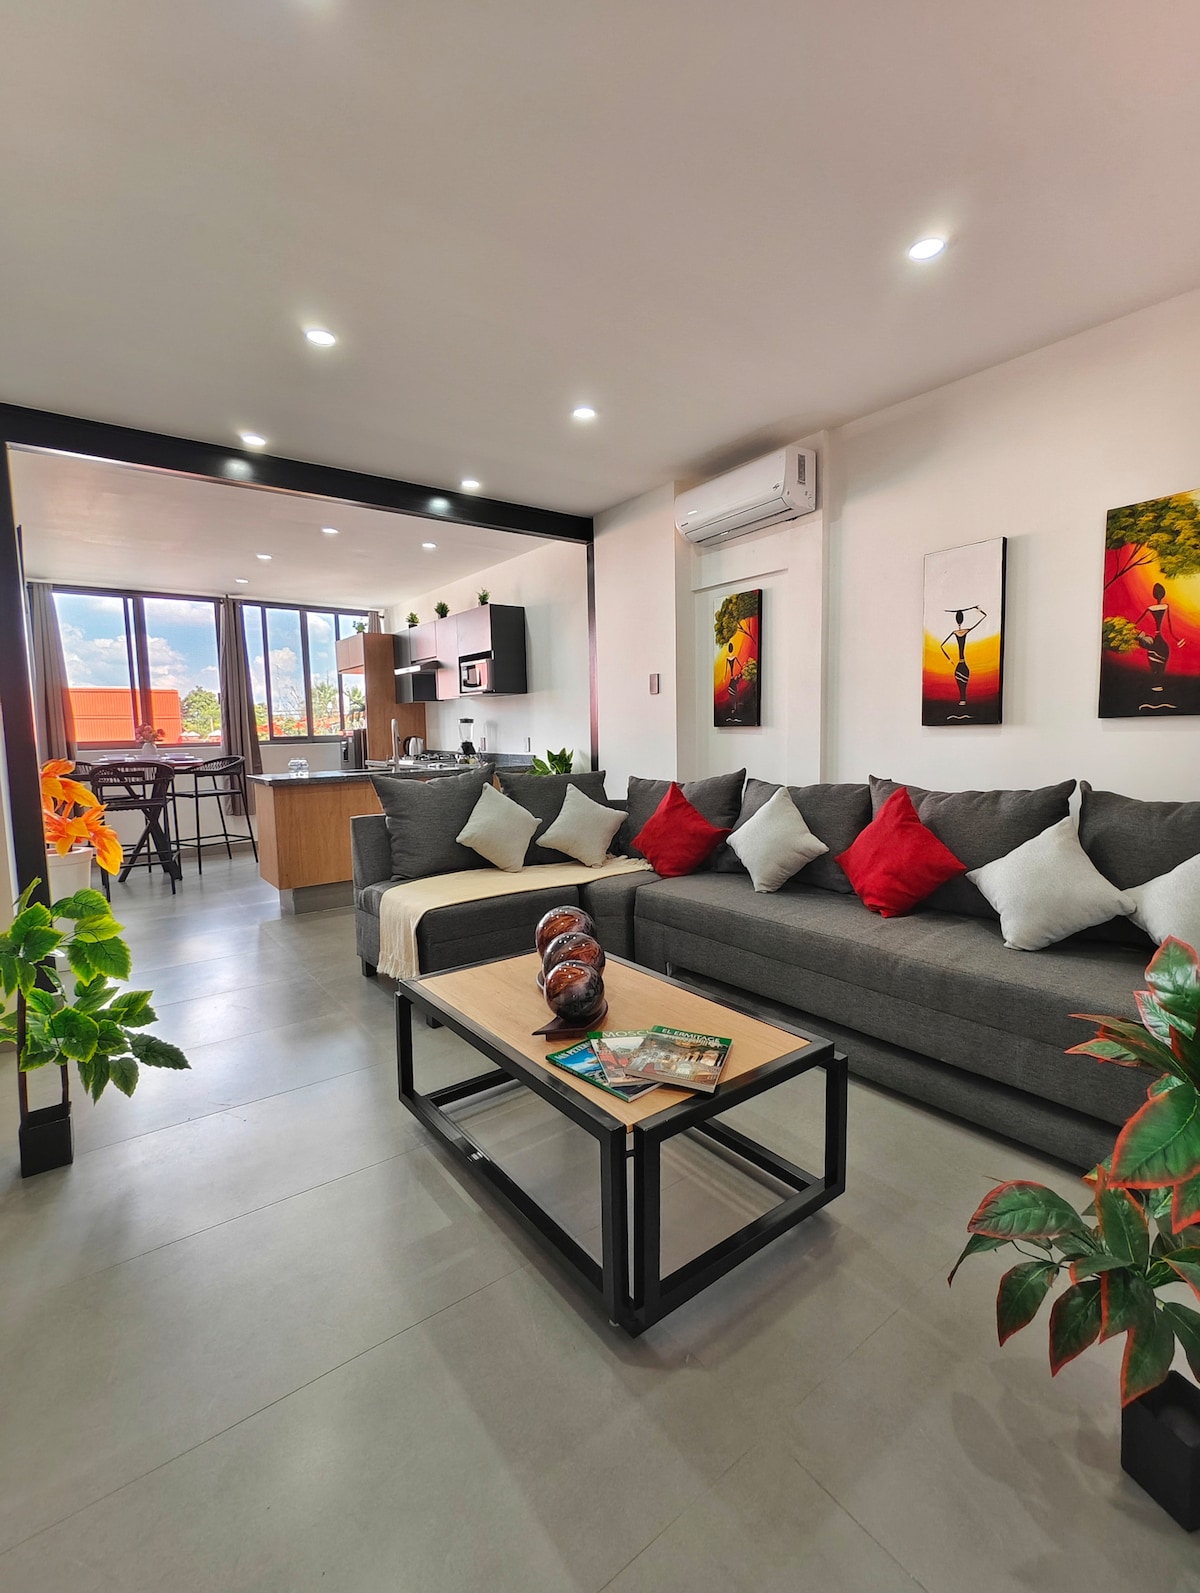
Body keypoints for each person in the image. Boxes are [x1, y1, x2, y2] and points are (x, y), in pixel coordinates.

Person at [1133, 582, 1185, 696]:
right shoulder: (1166, 606)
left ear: (1154, 594)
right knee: (1161, 666)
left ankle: (1155, 686)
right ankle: (1158, 686)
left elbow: (1135, 624)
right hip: (1162, 644)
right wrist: (1177, 639)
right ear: (1163, 594)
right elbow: (1170, 628)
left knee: (1154, 667)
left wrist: (1139, 635)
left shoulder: (1150, 608)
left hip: (1155, 643)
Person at [939, 606, 987, 710]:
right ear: (962, 620)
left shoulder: (955, 632)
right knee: (963, 683)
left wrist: (949, 659)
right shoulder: (966, 631)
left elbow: (942, 646)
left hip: (959, 664)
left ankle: (962, 700)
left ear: (957, 621)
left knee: (961, 683)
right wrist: (979, 610)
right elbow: (984, 617)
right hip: (963, 664)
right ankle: (963, 700)